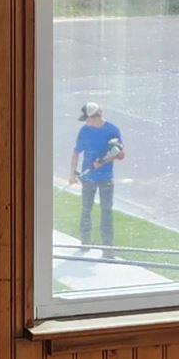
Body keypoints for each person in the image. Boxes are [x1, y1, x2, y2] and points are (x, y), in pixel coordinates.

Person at [70, 101, 124, 252]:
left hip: (106, 178)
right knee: (86, 209)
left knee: (106, 211)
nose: (86, 122)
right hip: (88, 179)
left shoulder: (113, 130)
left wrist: (104, 160)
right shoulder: (84, 131)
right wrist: (72, 174)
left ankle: (107, 247)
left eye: (88, 119)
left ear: (96, 116)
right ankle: (85, 242)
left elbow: (120, 154)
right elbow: (76, 153)